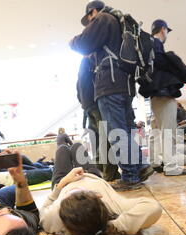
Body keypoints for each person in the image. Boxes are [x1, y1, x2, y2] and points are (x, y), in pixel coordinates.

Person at [69, 0, 153, 191]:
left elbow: (82, 44)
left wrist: (71, 41)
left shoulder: (103, 18)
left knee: (117, 134)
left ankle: (131, 176)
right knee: (126, 130)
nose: (89, 21)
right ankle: (141, 166)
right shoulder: (118, 22)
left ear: (94, 11)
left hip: (109, 85)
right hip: (124, 85)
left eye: (89, 17)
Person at [40, 146, 162, 235]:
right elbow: (153, 207)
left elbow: (42, 213)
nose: (77, 190)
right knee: (77, 146)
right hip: (90, 174)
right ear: (99, 198)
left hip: (63, 181)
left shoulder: (56, 215)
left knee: (62, 149)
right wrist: (109, 227)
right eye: (84, 193)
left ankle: (64, 139)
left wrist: (62, 185)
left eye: (71, 195)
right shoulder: (114, 206)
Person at [148, 19, 186, 176]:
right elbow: (160, 61)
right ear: (163, 29)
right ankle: (171, 166)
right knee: (169, 131)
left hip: (154, 94)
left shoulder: (148, 44)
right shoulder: (156, 43)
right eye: (166, 31)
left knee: (156, 130)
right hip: (163, 93)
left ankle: (155, 162)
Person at [77, 55, 120, 182]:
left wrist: (85, 105)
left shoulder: (83, 66)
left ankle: (99, 169)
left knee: (96, 139)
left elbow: (78, 89)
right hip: (96, 103)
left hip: (88, 106)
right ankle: (108, 173)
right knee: (105, 138)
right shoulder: (92, 60)